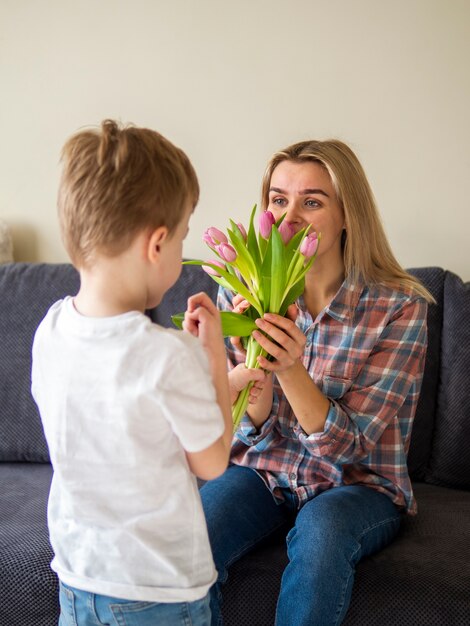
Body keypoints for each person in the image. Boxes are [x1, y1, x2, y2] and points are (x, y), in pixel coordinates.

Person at [200, 139, 434, 626]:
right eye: (279, 200)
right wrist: (255, 383)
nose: (289, 219)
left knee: (323, 534)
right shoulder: (240, 290)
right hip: (263, 472)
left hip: (355, 485)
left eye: (312, 201)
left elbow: (351, 447)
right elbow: (244, 429)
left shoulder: (400, 307)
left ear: (349, 214)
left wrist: (290, 368)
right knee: (191, 537)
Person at [31, 119, 233, 626]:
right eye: (184, 237)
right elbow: (211, 462)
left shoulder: (50, 329)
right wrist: (212, 358)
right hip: (157, 590)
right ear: (156, 243)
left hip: (78, 579)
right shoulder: (169, 355)